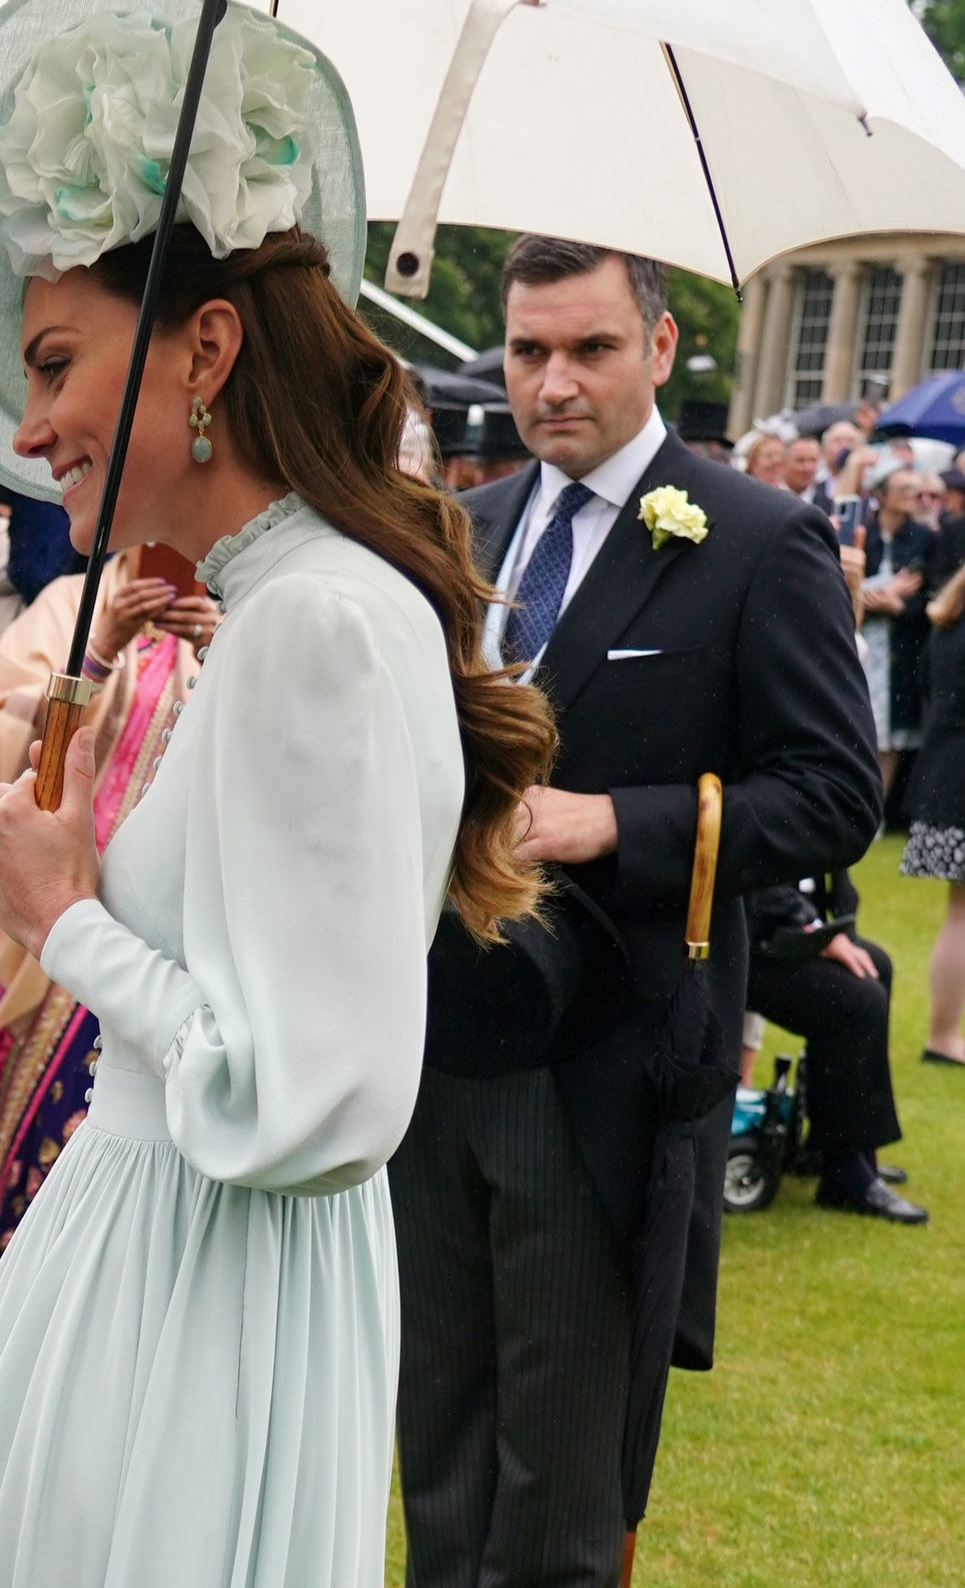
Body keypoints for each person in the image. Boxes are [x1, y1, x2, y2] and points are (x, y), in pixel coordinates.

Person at [0, 0, 546, 1588]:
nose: (30, 426)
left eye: (54, 364)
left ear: (209, 346)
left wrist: (73, 916)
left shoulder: (314, 617)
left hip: (198, 1291)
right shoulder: (280, 601)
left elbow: (322, 1099)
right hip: (181, 1255)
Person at [399, 237, 880, 1587]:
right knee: (435, 1437)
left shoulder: (757, 535)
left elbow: (834, 792)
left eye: (589, 348)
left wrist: (618, 820)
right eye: (528, 349)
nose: (552, 382)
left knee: (559, 1479)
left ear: (661, 347)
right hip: (431, 1038)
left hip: (609, 1065)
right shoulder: (462, 528)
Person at [0, 557, 204, 1260]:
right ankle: (30, 1272)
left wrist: (216, 646)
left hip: (168, 935)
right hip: (57, 919)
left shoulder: (238, 607)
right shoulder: (70, 601)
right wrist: (98, 649)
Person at [743, 871, 924, 1222]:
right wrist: (810, 926)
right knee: (858, 1001)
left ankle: (831, 1149)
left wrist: (836, 929)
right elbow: (757, 875)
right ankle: (845, 1173)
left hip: (780, 930)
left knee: (876, 967)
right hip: (738, 943)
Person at [903, 561, 965, 1066]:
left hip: (947, 776)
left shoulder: (950, 617)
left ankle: (943, 1034)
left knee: (960, 914)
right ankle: (943, 1036)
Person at [861, 465, 934, 805]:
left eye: (914, 490)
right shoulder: (864, 533)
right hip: (862, 640)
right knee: (862, 719)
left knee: (891, 732)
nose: (911, 497)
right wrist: (884, 592)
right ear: (881, 495)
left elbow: (925, 593)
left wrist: (897, 606)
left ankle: (875, 807)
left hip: (901, 644)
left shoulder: (924, 538)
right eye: (902, 490)